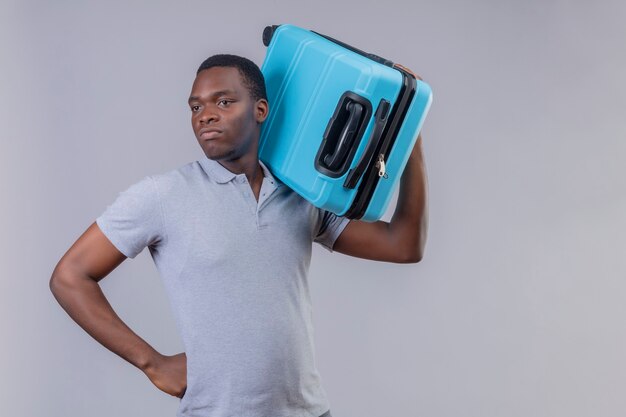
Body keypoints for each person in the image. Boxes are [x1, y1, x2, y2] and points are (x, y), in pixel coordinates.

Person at [49, 54, 428, 417]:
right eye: (195, 107)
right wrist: (152, 363)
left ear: (260, 110)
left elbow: (403, 245)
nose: (205, 115)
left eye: (224, 101)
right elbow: (70, 277)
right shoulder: (163, 195)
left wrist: (409, 138)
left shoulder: (302, 195)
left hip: (308, 412)